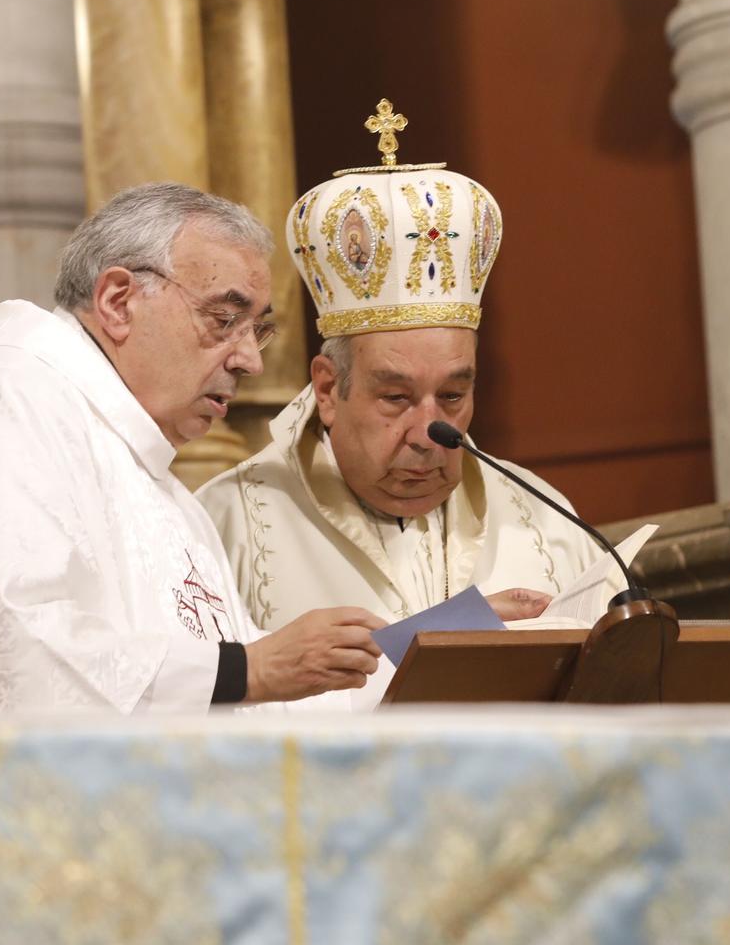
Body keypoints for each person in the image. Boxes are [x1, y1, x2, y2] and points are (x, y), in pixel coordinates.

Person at [0, 183, 386, 715]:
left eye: (256, 330)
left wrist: (425, 649)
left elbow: (251, 694)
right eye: (223, 319)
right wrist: (251, 670)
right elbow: (20, 652)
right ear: (118, 300)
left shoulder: (155, 488)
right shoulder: (5, 402)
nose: (249, 361)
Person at [196, 102, 617, 630]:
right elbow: (202, 702)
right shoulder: (227, 526)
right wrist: (427, 641)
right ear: (327, 389)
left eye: (452, 396)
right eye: (395, 398)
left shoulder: (543, 522)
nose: (428, 434)